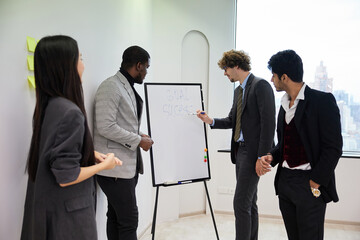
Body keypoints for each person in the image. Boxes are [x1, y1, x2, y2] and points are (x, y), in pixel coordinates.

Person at [21, 35, 122, 240]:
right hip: (66, 218)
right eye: (80, 58)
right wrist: (105, 165)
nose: (83, 66)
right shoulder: (70, 112)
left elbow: (53, 150)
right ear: (65, 65)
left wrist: (89, 153)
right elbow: (66, 177)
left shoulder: (49, 106)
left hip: (46, 208)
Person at [258, 49, 343, 240]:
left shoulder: (322, 101)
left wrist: (316, 181)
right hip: (285, 182)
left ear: (285, 77)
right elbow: (284, 143)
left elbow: (334, 146)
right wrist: (272, 156)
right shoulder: (283, 105)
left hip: (310, 183)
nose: (272, 80)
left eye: (274, 75)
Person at [196, 49, 275, 240]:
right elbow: (233, 120)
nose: (225, 73)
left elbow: (268, 123)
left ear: (236, 66)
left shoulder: (261, 86)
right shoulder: (239, 91)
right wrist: (210, 120)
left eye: (225, 69)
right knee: (249, 203)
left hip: (253, 152)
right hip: (240, 151)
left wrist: (261, 156)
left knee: (240, 203)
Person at [93, 45, 153, 240]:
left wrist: (140, 135)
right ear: (138, 65)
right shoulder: (111, 86)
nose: (146, 73)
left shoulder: (124, 86)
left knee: (116, 217)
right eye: (146, 68)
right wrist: (138, 140)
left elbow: (121, 123)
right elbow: (105, 126)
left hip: (124, 167)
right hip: (114, 168)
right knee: (129, 220)